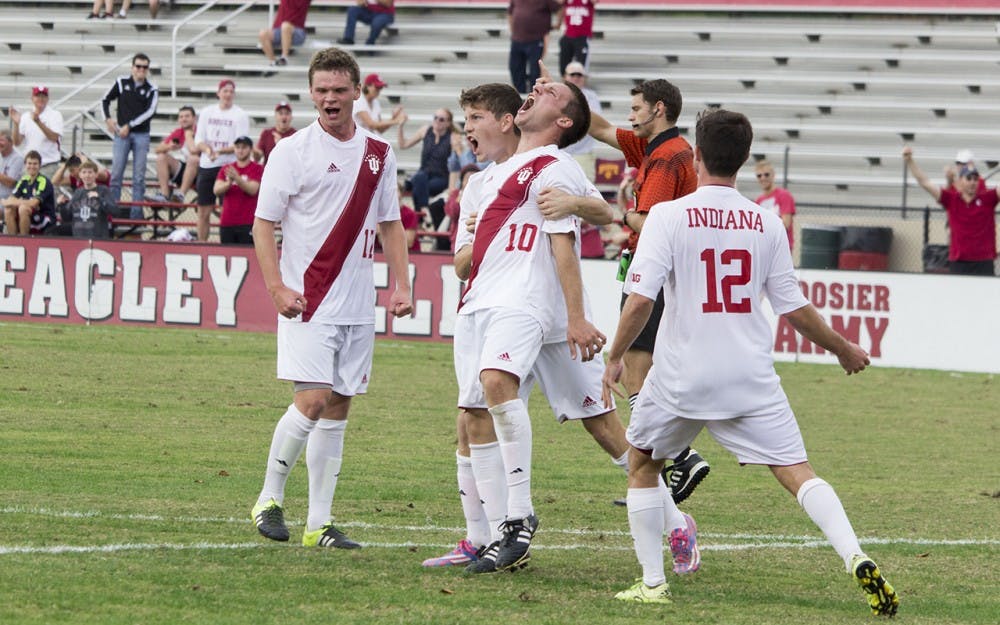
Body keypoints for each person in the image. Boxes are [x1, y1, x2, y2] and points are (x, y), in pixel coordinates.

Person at [602, 109, 899, 617]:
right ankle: (855, 554)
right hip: (749, 376)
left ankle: (653, 583)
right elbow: (794, 309)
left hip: (681, 376)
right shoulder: (765, 221)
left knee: (642, 464)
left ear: (695, 156)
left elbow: (641, 300)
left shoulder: (670, 217)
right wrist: (843, 348)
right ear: (742, 161)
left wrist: (613, 356)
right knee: (797, 471)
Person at [423, 83, 696, 577]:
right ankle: (486, 536)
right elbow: (463, 263)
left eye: (546, 92)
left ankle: (524, 518)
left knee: (599, 425)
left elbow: (598, 216)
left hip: (537, 309)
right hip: (498, 306)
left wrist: (572, 211)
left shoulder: (553, 165)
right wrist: (480, 236)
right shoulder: (483, 183)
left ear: (559, 121)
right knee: (475, 412)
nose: (533, 91)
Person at [249, 47, 413, 550]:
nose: (329, 99)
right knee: (313, 399)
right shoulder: (292, 151)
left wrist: (402, 284)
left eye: (339, 90)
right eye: (321, 90)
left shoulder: (378, 154)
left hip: (358, 303)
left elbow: (391, 223)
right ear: (311, 93)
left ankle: (319, 523)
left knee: (338, 407)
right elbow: (262, 225)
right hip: (309, 298)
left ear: (356, 92)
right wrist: (276, 287)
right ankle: (268, 499)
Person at [587, 77, 709, 503]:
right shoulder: (658, 146)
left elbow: (649, 222)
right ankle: (666, 463)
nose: (629, 115)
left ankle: (677, 457)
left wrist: (617, 214)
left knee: (636, 370)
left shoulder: (666, 158)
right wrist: (561, 94)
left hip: (652, 268)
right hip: (662, 269)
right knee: (647, 370)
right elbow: (599, 129)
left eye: (636, 108)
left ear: (659, 109)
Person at [903, 146, 997, 276]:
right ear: (960, 181)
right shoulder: (952, 200)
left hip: (983, 261)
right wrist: (910, 161)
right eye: (969, 178)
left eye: (975, 179)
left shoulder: (987, 198)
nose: (973, 182)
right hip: (959, 262)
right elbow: (925, 182)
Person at [101, 53, 159, 218]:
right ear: (132, 67)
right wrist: (108, 119)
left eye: (144, 67)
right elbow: (105, 100)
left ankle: (136, 216)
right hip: (122, 134)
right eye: (138, 66)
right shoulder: (121, 82)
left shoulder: (152, 88)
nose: (141, 70)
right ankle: (113, 214)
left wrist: (130, 125)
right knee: (116, 174)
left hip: (141, 134)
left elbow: (150, 112)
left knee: (139, 177)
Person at [193, 79, 250, 241]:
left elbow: (240, 143)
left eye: (231, 91)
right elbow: (199, 140)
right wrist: (208, 150)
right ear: (218, 93)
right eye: (225, 91)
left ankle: (224, 244)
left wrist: (218, 151)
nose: (228, 94)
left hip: (228, 166)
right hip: (207, 165)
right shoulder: (207, 112)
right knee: (203, 210)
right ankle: (202, 244)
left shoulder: (239, 115)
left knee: (227, 210)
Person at [397, 108, 457, 225]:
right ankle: (424, 211)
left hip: (440, 177)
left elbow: (456, 163)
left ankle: (419, 218)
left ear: (448, 123)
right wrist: (400, 126)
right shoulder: (425, 131)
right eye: (435, 118)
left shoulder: (452, 138)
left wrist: (452, 187)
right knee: (420, 178)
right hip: (423, 175)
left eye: (441, 119)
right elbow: (403, 145)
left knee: (417, 183)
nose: (437, 121)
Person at [213, 136, 263, 245]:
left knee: (247, 257)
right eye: (237, 147)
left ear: (250, 149)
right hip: (227, 222)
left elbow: (253, 190)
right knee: (226, 257)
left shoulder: (257, 168)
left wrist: (237, 178)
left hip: (248, 223)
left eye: (244, 147)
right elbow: (216, 190)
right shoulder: (226, 168)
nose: (240, 150)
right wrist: (229, 183)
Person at [507, 0, 561, 94]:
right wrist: (513, 30)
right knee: (515, 69)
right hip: (517, 40)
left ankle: (534, 97)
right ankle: (521, 97)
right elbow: (510, 12)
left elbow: (559, 8)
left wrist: (558, 24)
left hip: (535, 41)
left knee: (535, 72)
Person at [10, 86, 64, 179]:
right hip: (29, 165)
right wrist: (16, 124)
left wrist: (38, 122)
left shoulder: (55, 115)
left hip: (48, 164)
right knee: (27, 193)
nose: (41, 99)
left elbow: (54, 137)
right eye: (38, 96)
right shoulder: (26, 116)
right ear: (32, 98)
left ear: (47, 99)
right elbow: (16, 142)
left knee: (45, 192)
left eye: (43, 96)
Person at [560, 61, 601, 182]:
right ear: (565, 76)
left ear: (584, 78)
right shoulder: (556, 94)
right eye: (573, 75)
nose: (576, 78)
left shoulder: (592, 96)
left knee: (586, 193)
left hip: (583, 153)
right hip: (560, 153)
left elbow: (593, 122)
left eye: (579, 75)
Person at [3, 151, 56, 236]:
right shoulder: (24, 180)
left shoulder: (44, 181)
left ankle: (24, 241)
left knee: (23, 208)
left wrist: (17, 201)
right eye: (29, 163)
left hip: (45, 218)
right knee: (8, 209)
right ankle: (13, 240)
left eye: (35, 164)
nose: (32, 166)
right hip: (30, 216)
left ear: (40, 165)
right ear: (25, 165)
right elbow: (10, 199)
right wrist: (11, 202)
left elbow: (33, 203)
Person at [153, 105, 199, 202]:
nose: (183, 119)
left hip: (203, 172)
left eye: (187, 116)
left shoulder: (200, 131)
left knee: (193, 158)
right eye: (181, 117)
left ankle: (181, 195)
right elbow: (157, 149)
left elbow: (195, 151)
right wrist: (169, 147)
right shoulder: (179, 132)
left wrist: (189, 136)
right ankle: (164, 195)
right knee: (161, 157)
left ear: (194, 118)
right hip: (187, 169)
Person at [64, 161, 116, 240]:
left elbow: (115, 211)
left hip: (98, 238)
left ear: (96, 175)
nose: (87, 175)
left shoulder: (103, 190)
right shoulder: (78, 192)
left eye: (90, 172)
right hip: (79, 238)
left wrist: (99, 198)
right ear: (80, 175)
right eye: (84, 172)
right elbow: (66, 216)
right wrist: (61, 204)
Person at [754, 160, 795, 252]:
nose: (763, 178)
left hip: (781, 247)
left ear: (773, 175)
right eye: (759, 175)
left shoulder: (784, 195)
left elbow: (786, 224)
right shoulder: (758, 200)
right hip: (764, 247)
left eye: (766, 174)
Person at [258, 0, 312, 67]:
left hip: (298, 32)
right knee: (263, 33)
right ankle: (273, 62)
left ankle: (284, 58)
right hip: (280, 31)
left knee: (285, 26)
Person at [554, 0, 596, 76]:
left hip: (583, 36)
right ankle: (564, 86)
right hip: (568, 35)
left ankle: (580, 87)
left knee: (581, 69)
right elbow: (558, 3)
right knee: (564, 68)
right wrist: (558, 22)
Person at [0, 130, 25, 207]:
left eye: (1, 140)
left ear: (11, 142)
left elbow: (10, 183)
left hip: (8, 199)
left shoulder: (17, 158)